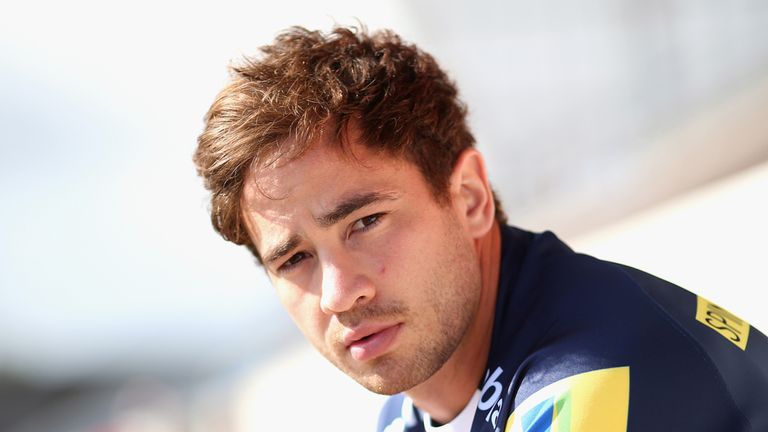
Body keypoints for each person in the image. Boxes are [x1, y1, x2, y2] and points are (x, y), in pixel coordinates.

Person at [193, 26, 768, 432]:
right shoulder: (411, 408)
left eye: (364, 222)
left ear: (468, 197)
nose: (339, 294)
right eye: (294, 259)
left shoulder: (592, 376)